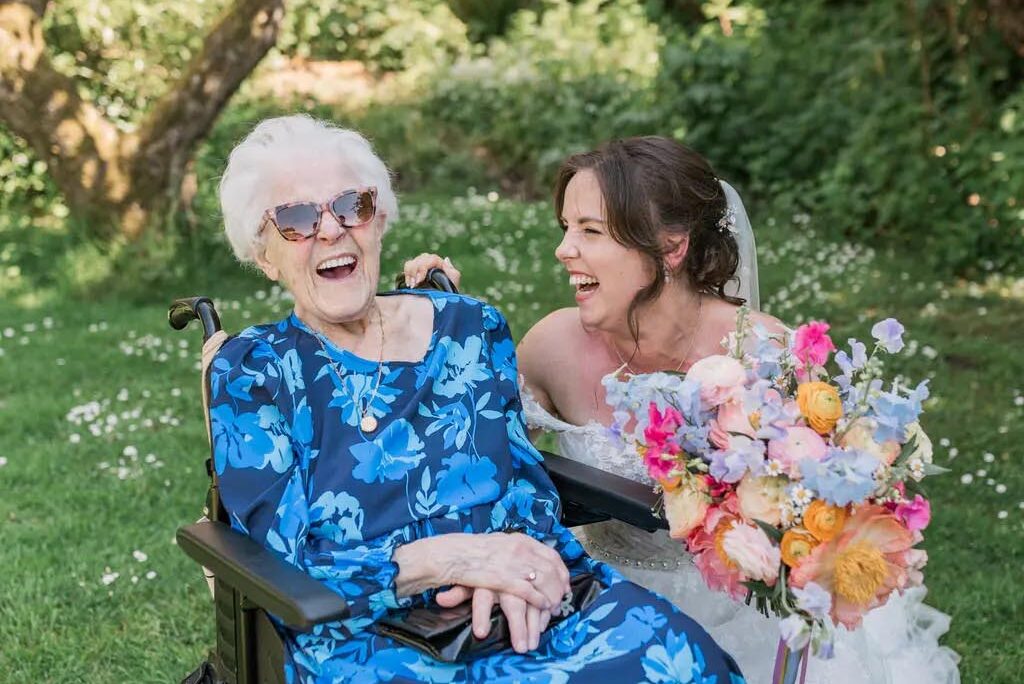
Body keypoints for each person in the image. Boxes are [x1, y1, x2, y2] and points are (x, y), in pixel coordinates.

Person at [210, 116, 746, 683]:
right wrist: (455, 559)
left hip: (527, 587)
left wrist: (520, 560)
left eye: (352, 206)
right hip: (369, 632)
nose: (330, 230)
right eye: (295, 218)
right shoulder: (254, 371)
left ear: (380, 220)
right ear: (264, 255)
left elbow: (526, 485)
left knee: (687, 662)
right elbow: (291, 561)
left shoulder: (470, 327)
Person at [405, 136, 960, 683]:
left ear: (671, 248)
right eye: (566, 228)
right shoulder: (555, 345)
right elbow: (463, 443)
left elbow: (824, 508)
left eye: (591, 231)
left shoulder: (762, 355)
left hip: (747, 613)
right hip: (603, 600)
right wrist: (444, 325)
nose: (564, 249)